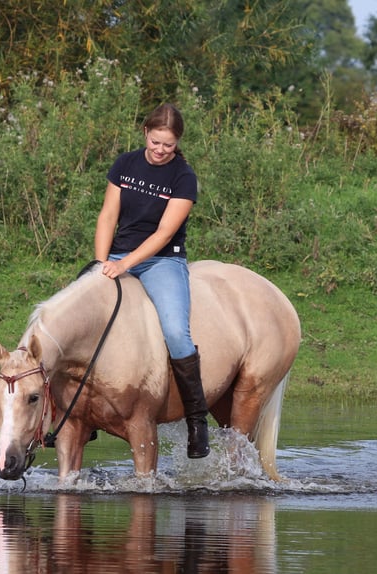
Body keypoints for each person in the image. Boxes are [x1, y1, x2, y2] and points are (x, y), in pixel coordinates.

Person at [94, 103, 210, 459]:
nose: (160, 150)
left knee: (176, 331)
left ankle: (197, 420)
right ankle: (70, 416)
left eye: (168, 146)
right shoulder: (125, 164)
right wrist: (101, 264)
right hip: (114, 257)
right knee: (75, 321)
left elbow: (163, 233)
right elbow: (108, 215)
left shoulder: (183, 177)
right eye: (156, 142)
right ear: (145, 132)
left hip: (162, 261)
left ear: (177, 144)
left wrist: (126, 264)